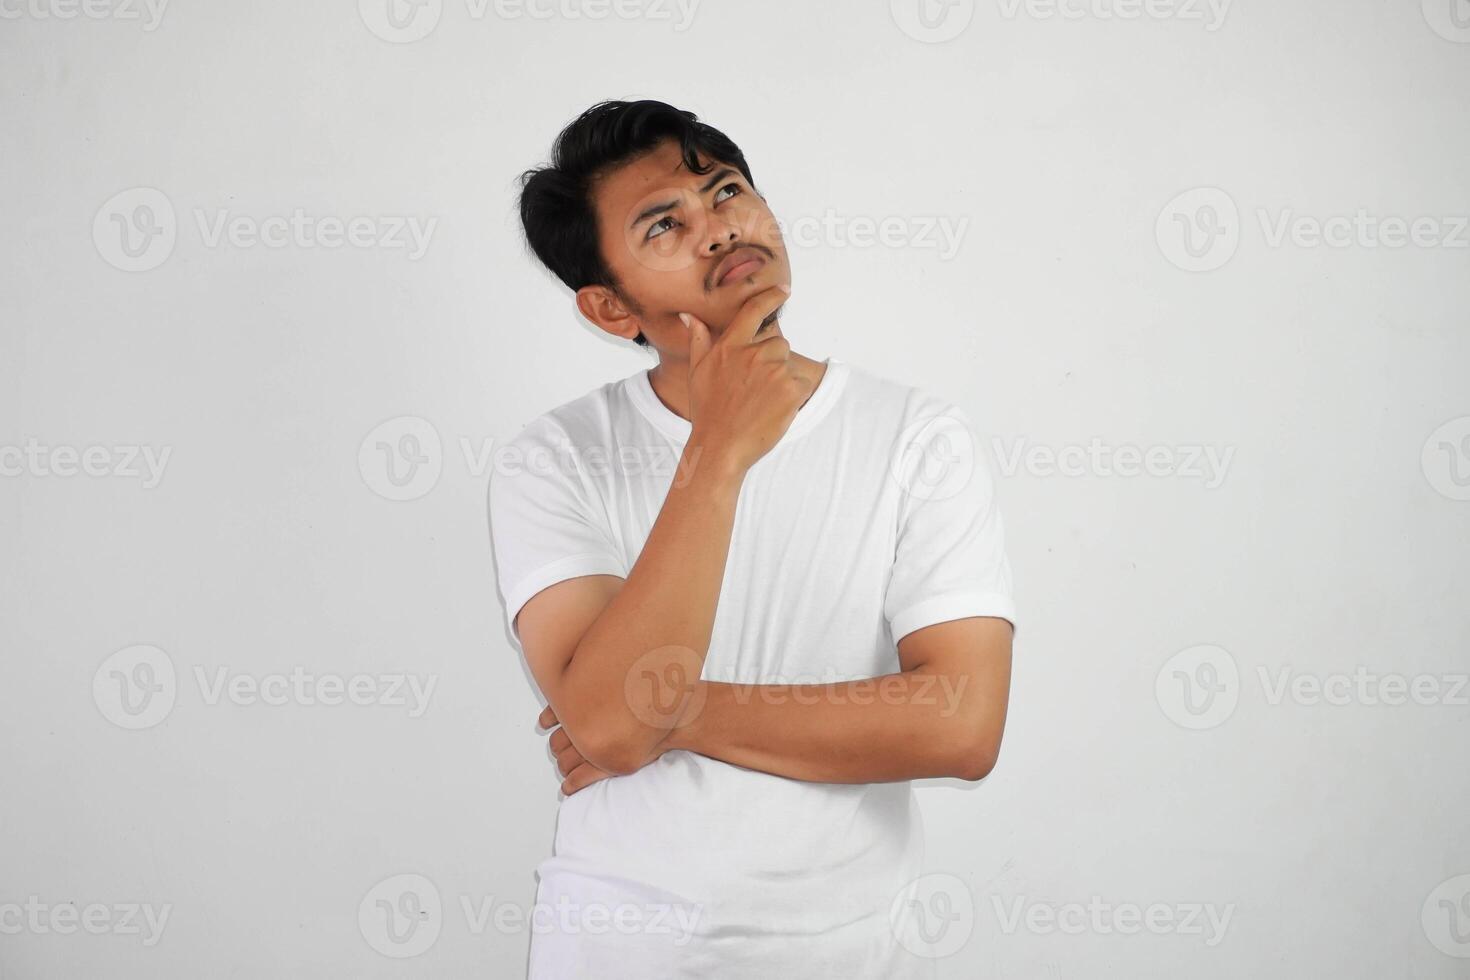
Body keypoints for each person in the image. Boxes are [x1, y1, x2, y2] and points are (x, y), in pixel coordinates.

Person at [488, 99, 1017, 978]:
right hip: (616, 950)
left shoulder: (919, 436)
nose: (718, 227)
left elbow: (962, 727)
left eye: (727, 190)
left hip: (846, 951)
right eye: (666, 223)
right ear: (610, 308)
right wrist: (720, 450)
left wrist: (679, 710)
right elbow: (614, 732)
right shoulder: (554, 459)